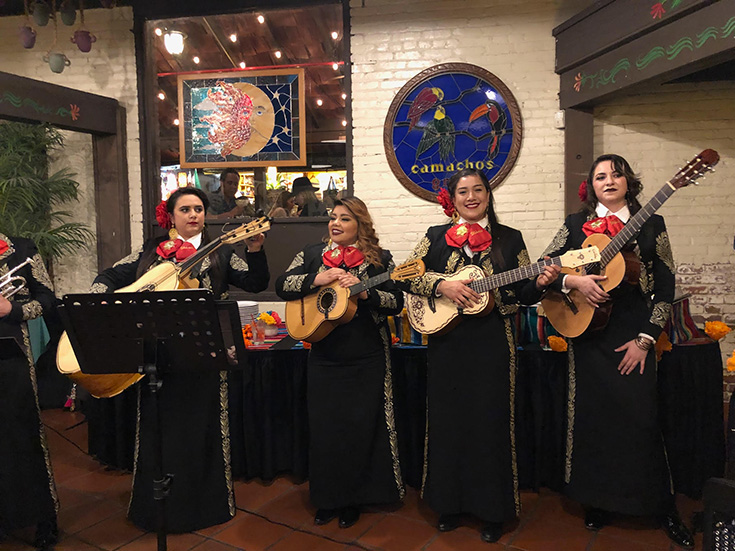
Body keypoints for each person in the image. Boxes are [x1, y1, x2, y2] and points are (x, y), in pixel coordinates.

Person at [91, 187, 269, 532]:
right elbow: (110, 276)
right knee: (158, 427)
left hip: (204, 353)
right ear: (170, 216)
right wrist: (102, 301)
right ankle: (152, 508)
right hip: (158, 354)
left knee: (204, 427)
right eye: (185, 209)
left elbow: (255, 282)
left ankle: (206, 506)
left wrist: (255, 249)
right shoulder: (149, 252)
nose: (193, 215)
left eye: (199, 209)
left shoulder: (219, 252)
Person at [540, 154, 694, 549]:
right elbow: (545, 267)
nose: (609, 180)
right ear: (590, 186)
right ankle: (598, 500)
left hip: (632, 332)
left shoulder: (651, 224)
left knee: (641, 419)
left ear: (629, 181)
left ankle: (660, 505)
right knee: (594, 421)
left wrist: (646, 339)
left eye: (617, 174)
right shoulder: (577, 226)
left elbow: (665, 286)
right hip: (588, 333)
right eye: (600, 176)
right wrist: (574, 281)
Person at [399, 168, 559, 543]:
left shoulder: (509, 239)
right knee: (447, 420)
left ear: (488, 195)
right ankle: (448, 504)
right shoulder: (435, 237)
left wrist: (539, 281)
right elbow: (404, 275)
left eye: (478, 190)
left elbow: (524, 292)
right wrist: (442, 284)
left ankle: (492, 510)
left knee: (491, 423)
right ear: (451, 199)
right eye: (463, 192)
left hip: (492, 342)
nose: (471, 197)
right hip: (446, 344)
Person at [275, 196, 404, 528]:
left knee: (360, 429)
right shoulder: (311, 255)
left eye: (345, 219)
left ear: (360, 225)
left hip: (366, 356)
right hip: (325, 357)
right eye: (333, 217)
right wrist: (315, 280)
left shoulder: (380, 260)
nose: (336, 223)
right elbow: (282, 285)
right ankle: (328, 499)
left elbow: (394, 302)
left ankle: (354, 500)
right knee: (326, 429)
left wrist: (365, 294)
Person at [0, 235, 59, 550]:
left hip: (12, 357)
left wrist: (12, 309)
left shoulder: (20, 250)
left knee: (22, 434)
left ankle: (43, 517)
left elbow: (48, 298)